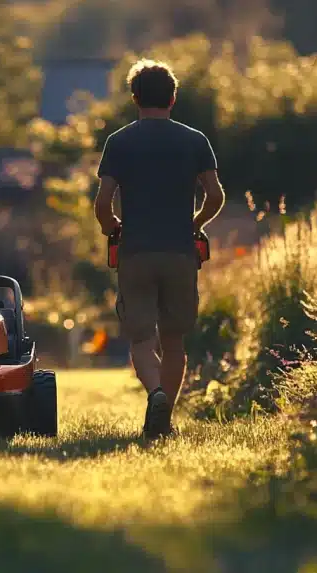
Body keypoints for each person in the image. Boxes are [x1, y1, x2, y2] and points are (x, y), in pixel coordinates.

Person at [93, 59, 226, 439]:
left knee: (140, 337)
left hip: (135, 251)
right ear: (173, 97)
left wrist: (110, 227)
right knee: (174, 340)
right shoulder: (195, 140)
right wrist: (196, 223)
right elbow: (215, 195)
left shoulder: (118, 142)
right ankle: (164, 419)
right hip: (181, 252)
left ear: (135, 97)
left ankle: (155, 395)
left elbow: (104, 202)